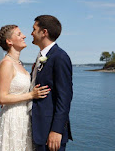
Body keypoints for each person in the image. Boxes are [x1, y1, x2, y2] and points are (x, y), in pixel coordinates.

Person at [0, 25, 50, 151]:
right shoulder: (6, 64)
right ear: (9, 41)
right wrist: (31, 95)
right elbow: (2, 98)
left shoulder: (19, 64)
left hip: (24, 117)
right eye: (19, 34)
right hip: (12, 118)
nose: (24, 36)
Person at [30, 15, 73, 151]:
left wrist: (57, 130)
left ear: (44, 32)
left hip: (50, 133)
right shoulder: (41, 56)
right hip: (38, 129)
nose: (31, 33)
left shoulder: (60, 57)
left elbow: (65, 96)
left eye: (34, 29)